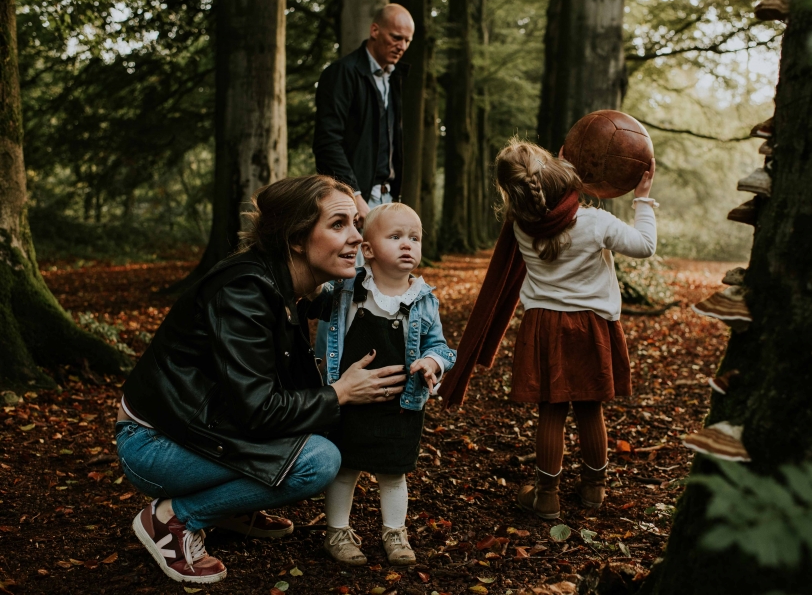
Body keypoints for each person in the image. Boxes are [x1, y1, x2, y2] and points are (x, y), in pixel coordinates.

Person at [114, 176, 409, 584]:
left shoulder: (284, 285)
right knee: (319, 461)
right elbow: (258, 410)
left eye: (356, 224)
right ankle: (173, 519)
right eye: (339, 224)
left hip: (202, 427)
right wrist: (339, 393)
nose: (357, 237)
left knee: (324, 432)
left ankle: (232, 508)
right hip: (155, 444)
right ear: (296, 238)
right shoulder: (244, 293)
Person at [440, 138, 657, 520]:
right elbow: (644, 246)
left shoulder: (520, 225)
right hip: (592, 326)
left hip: (544, 326)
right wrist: (641, 198)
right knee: (590, 407)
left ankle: (546, 497)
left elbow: (538, 196)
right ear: (555, 173)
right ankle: (594, 489)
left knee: (551, 411)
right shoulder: (596, 222)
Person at [316, 203, 456, 566]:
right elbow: (316, 312)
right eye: (395, 237)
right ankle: (337, 531)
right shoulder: (348, 291)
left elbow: (440, 346)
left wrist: (431, 362)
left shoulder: (424, 300)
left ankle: (394, 531)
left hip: (400, 403)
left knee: (394, 473)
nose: (407, 244)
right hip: (349, 400)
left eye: (414, 238)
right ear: (368, 250)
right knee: (344, 469)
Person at [313, 3, 415, 356]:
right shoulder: (342, 74)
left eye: (407, 40)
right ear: (374, 31)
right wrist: (352, 195)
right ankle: (324, 375)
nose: (401, 45)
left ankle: (367, 367)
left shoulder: (393, 78)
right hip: (352, 198)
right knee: (346, 285)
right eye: (395, 37)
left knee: (382, 287)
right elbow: (327, 141)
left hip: (385, 198)